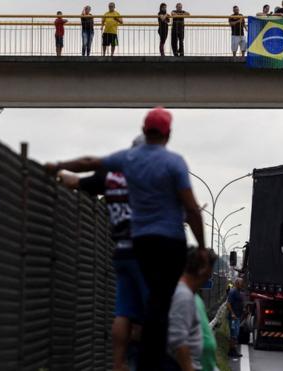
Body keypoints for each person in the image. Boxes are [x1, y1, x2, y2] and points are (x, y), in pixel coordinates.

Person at [44, 107, 207, 371]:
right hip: (165, 243)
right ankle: (150, 362)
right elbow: (190, 208)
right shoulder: (173, 163)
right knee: (157, 305)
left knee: (126, 309)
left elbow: (86, 165)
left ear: (144, 130)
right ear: (168, 134)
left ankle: (119, 364)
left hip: (132, 244)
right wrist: (200, 245)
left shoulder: (124, 164)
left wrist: (57, 167)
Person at [58, 135, 149, 371]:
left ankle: (118, 363)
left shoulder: (111, 175)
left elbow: (75, 182)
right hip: (147, 252)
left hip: (121, 250)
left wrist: (59, 173)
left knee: (123, 311)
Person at [164, 248, 217, 371]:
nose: (210, 275)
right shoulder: (183, 295)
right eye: (210, 268)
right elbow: (178, 341)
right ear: (203, 269)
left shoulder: (190, 295)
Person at [226, 278, 245, 358]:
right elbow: (228, 304)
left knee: (235, 334)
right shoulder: (233, 291)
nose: (242, 285)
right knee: (233, 334)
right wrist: (233, 314)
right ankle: (231, 351)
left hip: (237, 316)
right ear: (237, 283)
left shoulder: (238, 292)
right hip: (233, 317)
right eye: (241, 283)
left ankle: (233, 350)